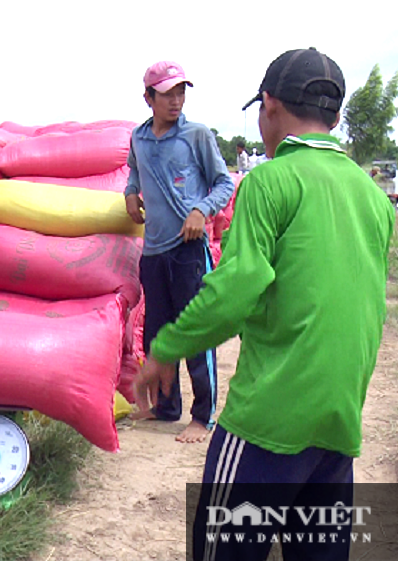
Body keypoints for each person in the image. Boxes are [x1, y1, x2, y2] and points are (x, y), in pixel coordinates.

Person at [135, 48, 394, 560]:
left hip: (271, 418)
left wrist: (166, 349)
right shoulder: (371, 195)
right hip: (339, 420)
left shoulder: (270, 181)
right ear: (337, 117)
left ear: (269, 107)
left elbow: (237, 287)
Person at [124, 60, 235, 443]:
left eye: (181, 92)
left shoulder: (197, 136)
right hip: (153, 252)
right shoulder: (139, 138)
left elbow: (224, 184)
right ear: (148, 98)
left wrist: (200, 210)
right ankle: (166, 407)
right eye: (168, 94)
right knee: (158, 335)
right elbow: (134, 173)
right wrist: (129, 193)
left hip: (188, 251)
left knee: (196, 333)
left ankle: (203, 416)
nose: (176, 101)